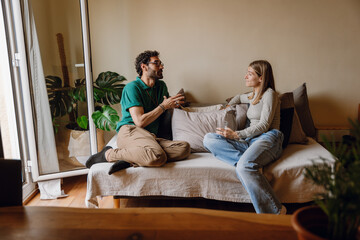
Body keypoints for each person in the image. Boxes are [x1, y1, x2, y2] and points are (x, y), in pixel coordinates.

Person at [86, 50, 191, 174]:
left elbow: (164, 109)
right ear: (144, 67)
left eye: (161, 63)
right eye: (156, 63)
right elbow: (139, 122)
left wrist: (175, 106)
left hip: (149, 136)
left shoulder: (161, 86)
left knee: (183, 148)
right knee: (157, 157)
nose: (161, 66)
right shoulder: (132, 88)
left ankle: (130, 158)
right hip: (130, 131)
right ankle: (109, 154)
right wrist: (163, 106)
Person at [203, 60, 285, 214]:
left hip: (269, 137)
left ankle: (276, 212)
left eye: (250, 73)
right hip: (249, 141)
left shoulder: (270, 94)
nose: (245, 76)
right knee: (209, 139)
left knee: (243, 166)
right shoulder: (253, 95)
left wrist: (236, 134)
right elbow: (238, 97)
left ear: (261, 78)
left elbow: (264, 125)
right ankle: (252, 168)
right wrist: (228, 106)